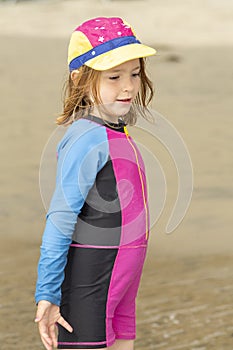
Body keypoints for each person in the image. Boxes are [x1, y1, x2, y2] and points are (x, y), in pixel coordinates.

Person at [34, 16, 157, 350]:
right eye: (114, 77)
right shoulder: (86, 138)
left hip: (121, 277)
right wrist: (47, 292)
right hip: (92, 278)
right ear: (80, 79)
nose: (129, 86)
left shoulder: (116, 131)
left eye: (134, 73)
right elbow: (60, 220)